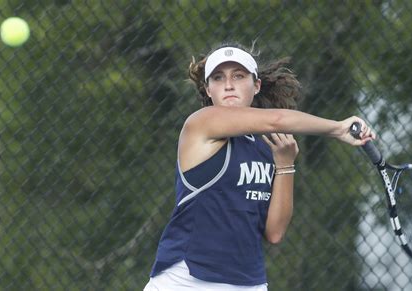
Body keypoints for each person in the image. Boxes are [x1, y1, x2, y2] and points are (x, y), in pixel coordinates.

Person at [144, 43, 375, 291]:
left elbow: (274, 232)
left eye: (239, 76)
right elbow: (277, 119)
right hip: (186, 280)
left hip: (248, 282)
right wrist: (338, 128)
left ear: (256, 86)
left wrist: (285, 165)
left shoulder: (267, 145)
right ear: (208, 89)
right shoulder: (201, 123)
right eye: (218, 78)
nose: (229, 84)